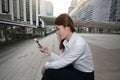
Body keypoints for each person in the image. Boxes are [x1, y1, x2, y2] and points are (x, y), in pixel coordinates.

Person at [39, 13, 94, 80]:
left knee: (50, 72)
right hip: (75, 69)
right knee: (50, 69)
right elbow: (61, 59)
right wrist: (48, 51)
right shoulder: (66, 41)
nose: (57, 32)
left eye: (58, 29)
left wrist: (46, 65)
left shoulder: (79, 43)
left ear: (67, 27)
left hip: (85, 75)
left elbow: (63, 62)